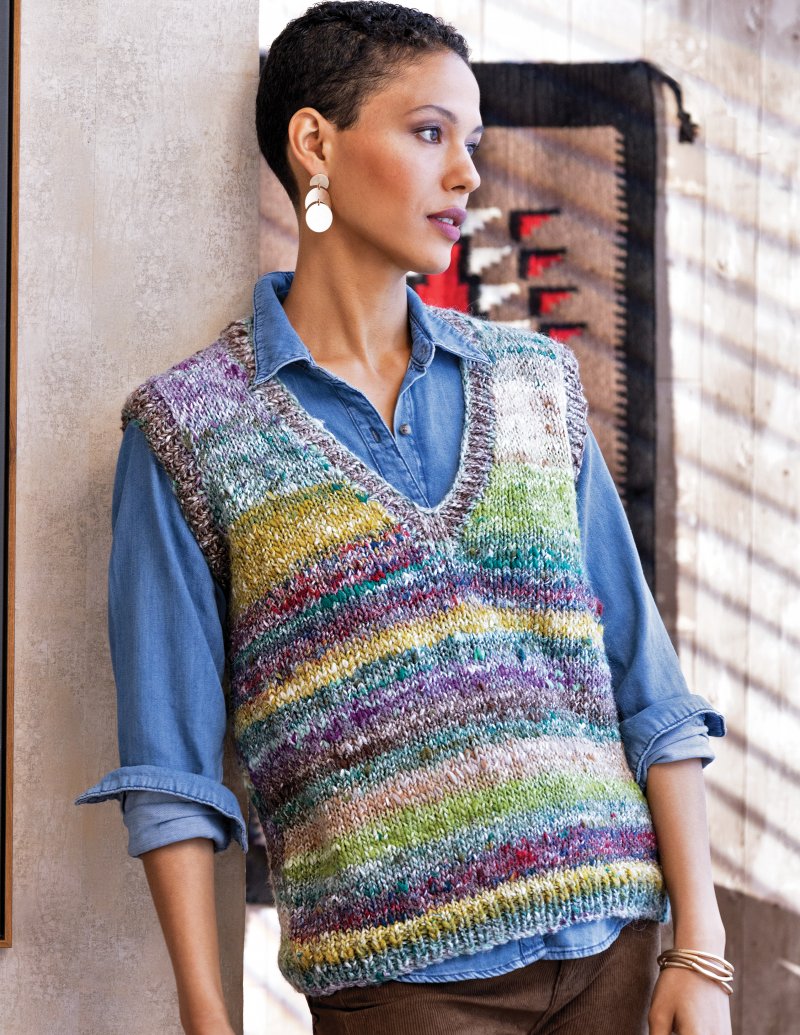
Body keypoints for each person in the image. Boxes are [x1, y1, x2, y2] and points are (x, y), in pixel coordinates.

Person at [77, 4, 733, 1033]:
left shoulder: (534, 381)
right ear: (314, 143)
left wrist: (700, 947)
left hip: (617, 949)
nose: (466, 174)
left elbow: (645, 684)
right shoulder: (189, 432)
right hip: (399, 988)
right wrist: (208, 1016)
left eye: (471, 141)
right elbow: (172, 768)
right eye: (430, 133)